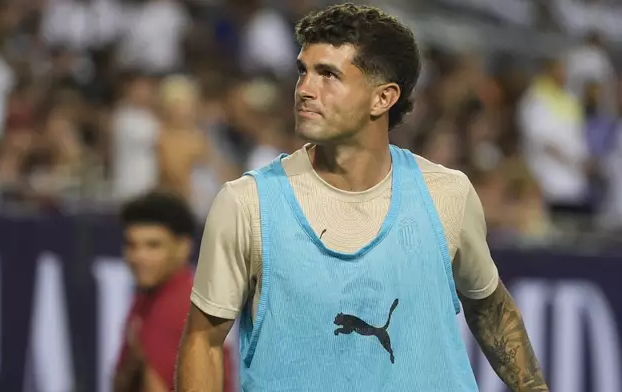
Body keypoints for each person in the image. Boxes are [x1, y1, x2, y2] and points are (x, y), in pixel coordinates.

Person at [176, 4, 548, 392]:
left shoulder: (447, 194)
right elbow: (202, 342)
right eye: (303, 71)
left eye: (328, 75)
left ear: (382, 98)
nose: (304, 88)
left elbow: (490, 307)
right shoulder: (246, 203)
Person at [114, 191, 195, 392]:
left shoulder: (178, 307)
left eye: (153, 245)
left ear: (182, 247)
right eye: (131, 245)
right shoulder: (147, 298)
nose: (139, 257)